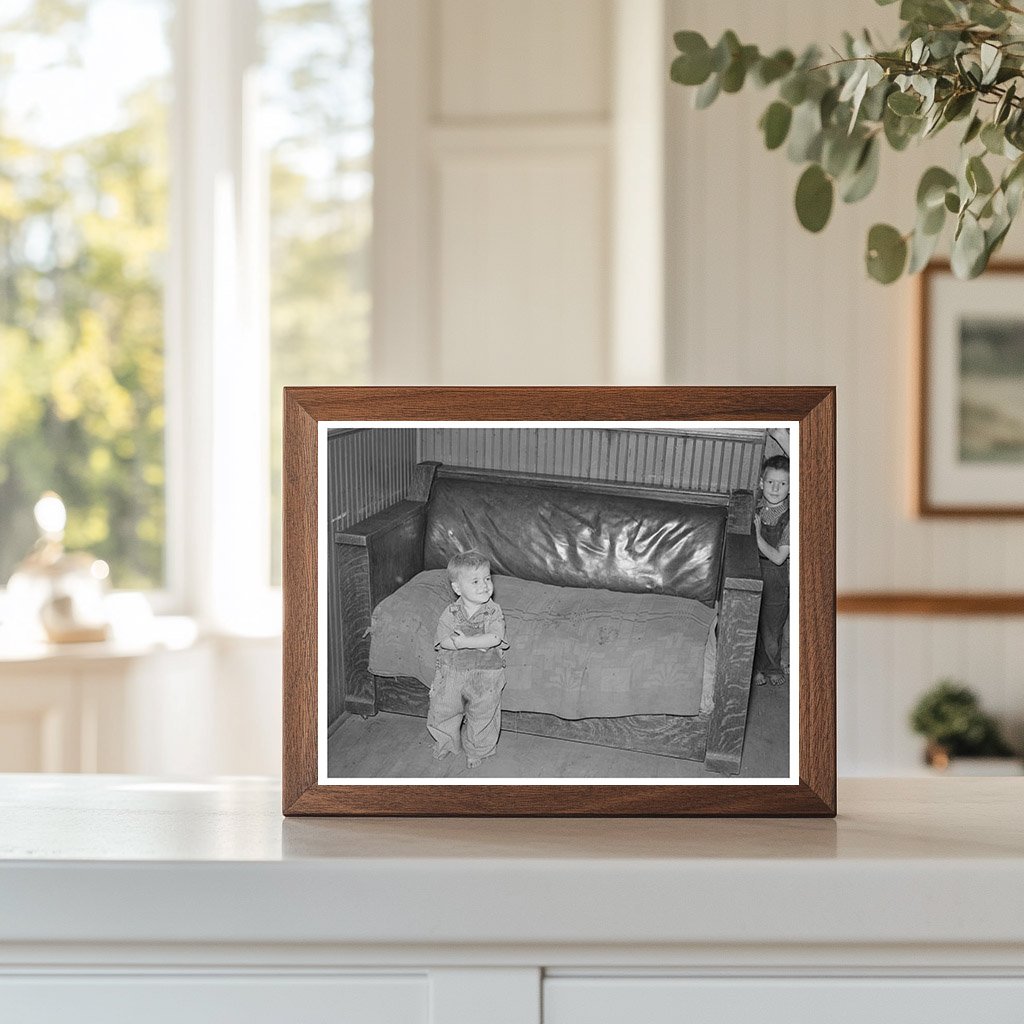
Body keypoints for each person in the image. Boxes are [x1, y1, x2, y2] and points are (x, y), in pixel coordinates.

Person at [428, 551, 509, 768]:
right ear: (457, 588)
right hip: (452, 672)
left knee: (483, 714)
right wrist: (463, 642)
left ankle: (477, 750)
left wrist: (464, 642)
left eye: (487, 578)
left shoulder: (493, 611)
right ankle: (445, 742)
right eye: (475, 581)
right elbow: (443, 640)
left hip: (485, 674)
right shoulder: (450, 613)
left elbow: (493, 637)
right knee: (443, 709)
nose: (484, 585)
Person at [753, 455, 791, 687]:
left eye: (783, 483)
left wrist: (757, 536)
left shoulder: (791, 517)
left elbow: (778, 558)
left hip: (776, 579)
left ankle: (773, 667)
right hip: (751, 570)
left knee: (771, 629)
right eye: (770, 482)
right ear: (761, 483)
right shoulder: (754, 508)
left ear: (790, 487)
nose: (775, 488)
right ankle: (755, 669)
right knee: (751, 624)